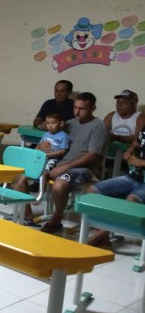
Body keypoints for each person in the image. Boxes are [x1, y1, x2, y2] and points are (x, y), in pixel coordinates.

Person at [14, 92, 107, 232]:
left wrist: (64, 167)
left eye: (82, 109)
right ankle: (27, 215)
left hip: (82, 168)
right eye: (75, 107)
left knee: (59, 184)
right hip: (57, 162)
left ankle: (56, 219)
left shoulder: (98, 127)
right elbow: (51, 138)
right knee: (18, 177)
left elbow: (93, 156)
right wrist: (42, 145)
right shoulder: (69, 124)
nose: (77, 112)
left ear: (93, 108)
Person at [86, 113, 145, 246]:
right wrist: (129, 150)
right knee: (92, 191)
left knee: (131, 201)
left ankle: (99, 235)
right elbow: (137, 142)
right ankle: (103, 235)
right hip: (132, 177)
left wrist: (140, 163)